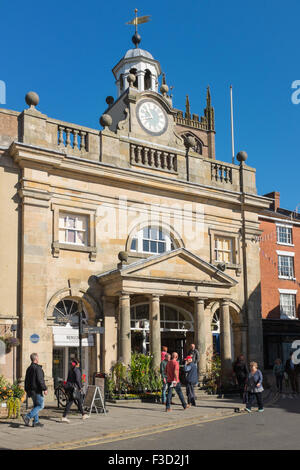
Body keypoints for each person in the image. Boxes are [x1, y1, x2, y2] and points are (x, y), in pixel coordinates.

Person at [22, 353, 48, 428]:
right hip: (37, 390)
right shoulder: (37, 368)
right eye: (38, 358)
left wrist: (27, 390)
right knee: (40, 405)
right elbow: (40, 380)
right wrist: (45, 388)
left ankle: (36, 422)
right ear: (36, 359)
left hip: (31, 391)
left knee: (36, 406)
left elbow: (26, 380)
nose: (38, 359)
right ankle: (27, 416)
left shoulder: (29, 368)